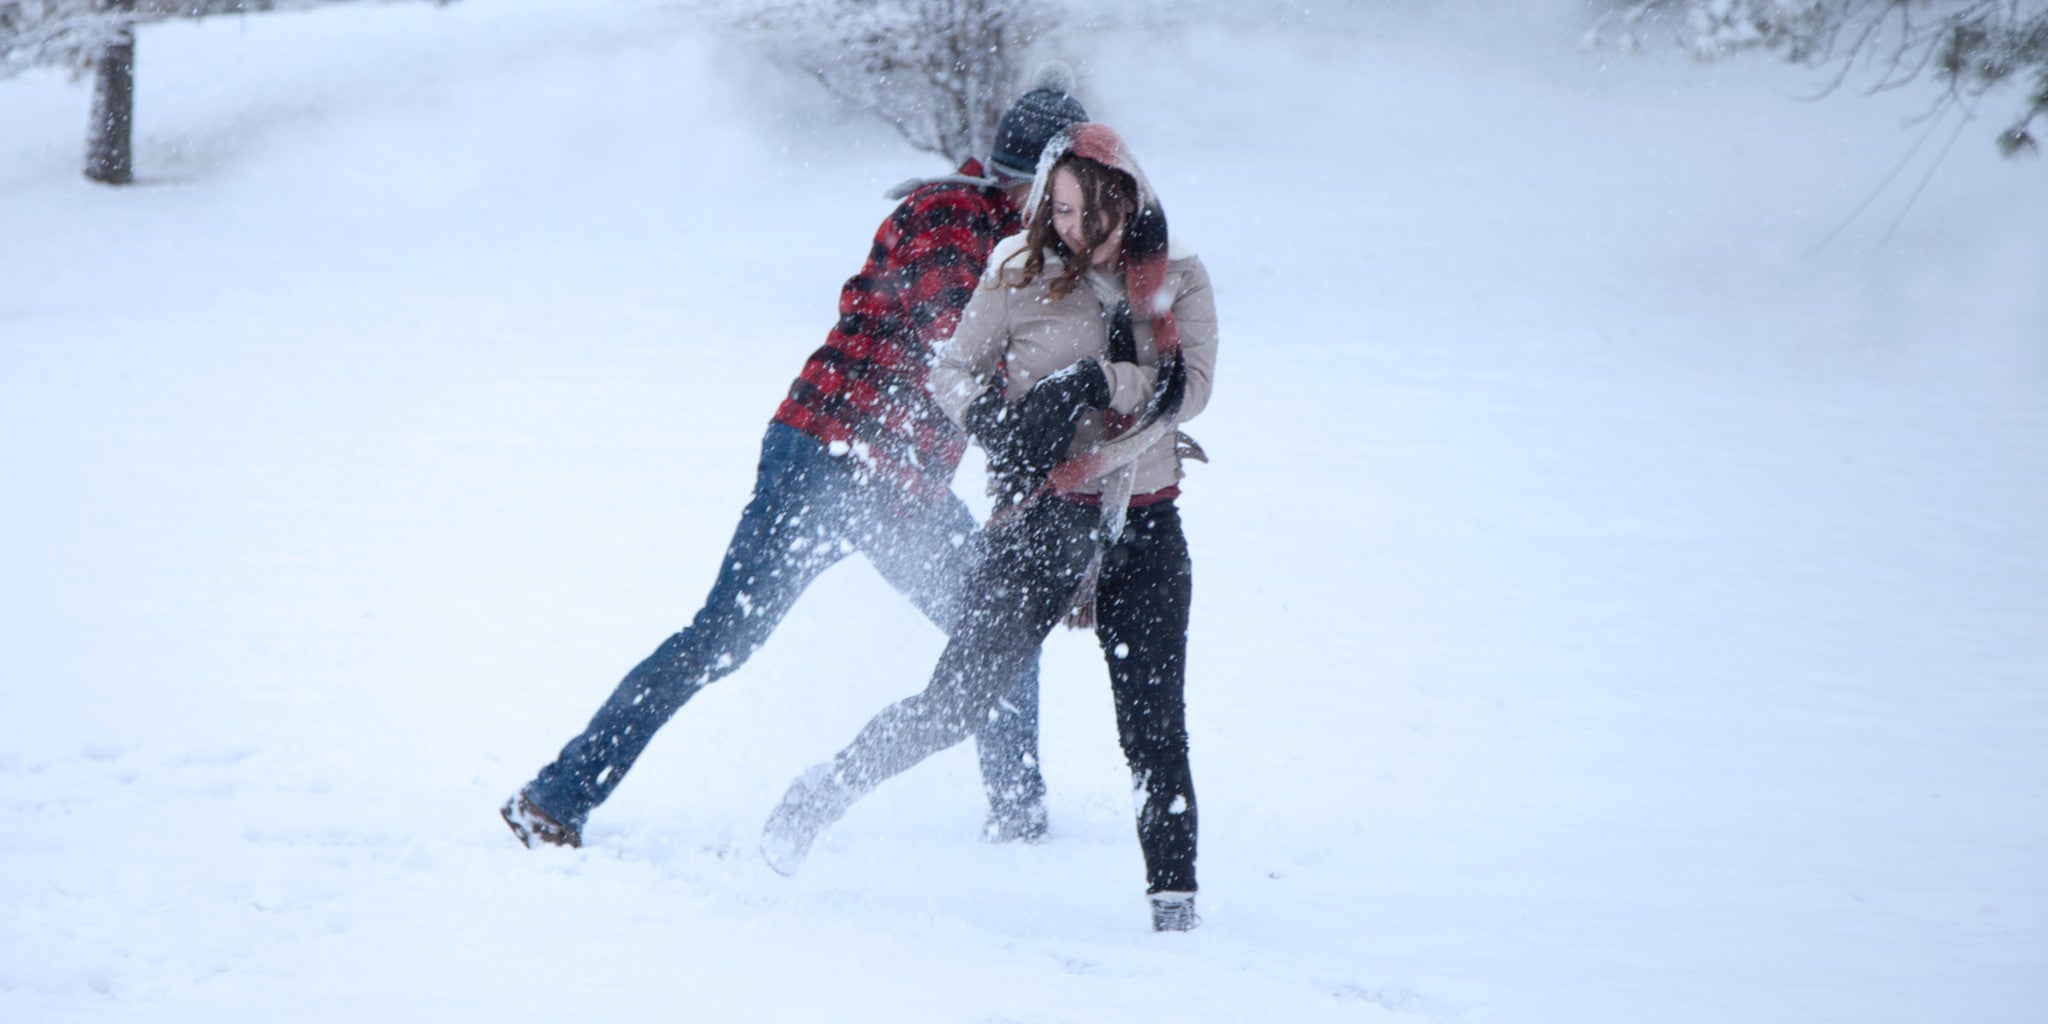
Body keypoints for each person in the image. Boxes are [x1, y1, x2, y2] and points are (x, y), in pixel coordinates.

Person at [500, 66, 1090, 851]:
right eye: (1069, 194)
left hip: (901, 485)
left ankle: (1020, 823)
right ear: (1038, 182)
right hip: (828, 457)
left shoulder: (1018, 249)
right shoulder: (952, 214)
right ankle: (556, 798)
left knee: (1001, 629)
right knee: (721, 641)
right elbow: (961, 349)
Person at [756, 122, 1219, 933]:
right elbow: (952, 370)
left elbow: (1186, 393)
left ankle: (1173, 915)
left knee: (1153, 731)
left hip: (1145, 529)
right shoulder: (1019, 269)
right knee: (954, 704)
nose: (1070, 228)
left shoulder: (1176, 279)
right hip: (1039, 523)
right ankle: (825, 789)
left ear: (1125, 196)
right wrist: (996, 424)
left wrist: (1094, 381)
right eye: (1060, 209)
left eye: (1086, 210)